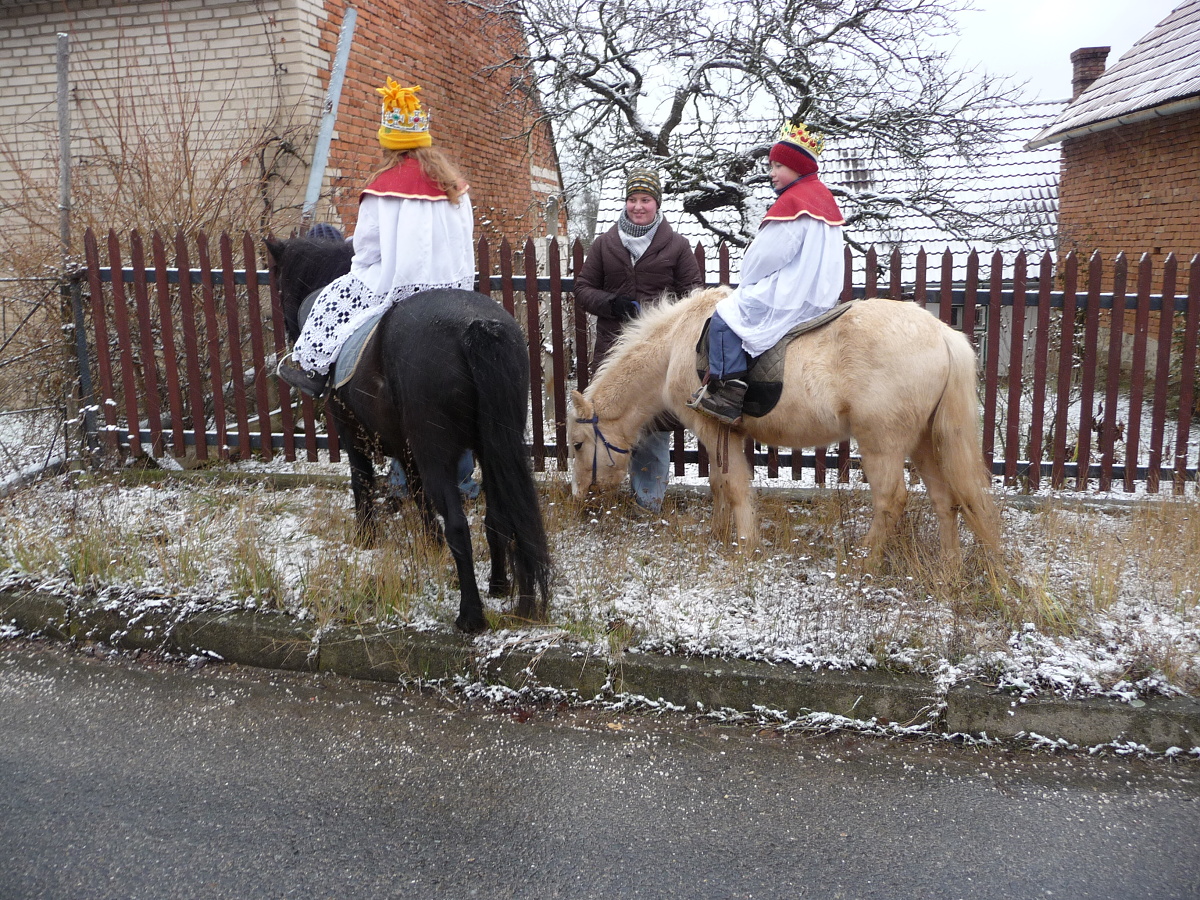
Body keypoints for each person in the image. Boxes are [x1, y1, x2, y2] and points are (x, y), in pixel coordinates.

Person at [277, 79, 475, 396]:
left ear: (388, 145)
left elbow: (367, 251)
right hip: (455, 284)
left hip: (396, 283)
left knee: (329, 302)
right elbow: (464, 238)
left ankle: (313, 372)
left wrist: (363, 270)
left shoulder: (381, 188)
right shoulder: (455, 187)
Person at [688, 122, 845, 426]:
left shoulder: (794, 203)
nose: (771, 172)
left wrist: (748, 275)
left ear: (798, 167)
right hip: (821, 295)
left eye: (778, 166)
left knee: (724, 317)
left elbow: (766, 258)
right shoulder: (823, 199)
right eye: (771, 165)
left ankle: (728, 394)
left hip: (792, 292)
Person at [575, 168, 702, 512]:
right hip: (614, 352)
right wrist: (612, 303)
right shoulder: (605, 244)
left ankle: (648, 502)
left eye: (645, 199)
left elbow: (693, 295)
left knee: (655, 427)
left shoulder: (676, 246)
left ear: (656, 203)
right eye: (632, 199)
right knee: (609, 422)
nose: (638, 206)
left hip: (657, 357)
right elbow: (583, 289)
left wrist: (663, 318)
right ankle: (602, 490)